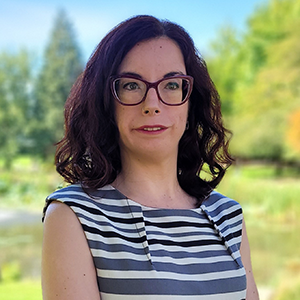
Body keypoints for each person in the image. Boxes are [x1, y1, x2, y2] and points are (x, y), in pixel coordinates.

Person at [42, 15, 259, 300]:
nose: (152, 105)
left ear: (190, 101)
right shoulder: (74, 216)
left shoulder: (228, 217)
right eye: (131, 85)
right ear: (106, 102)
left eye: (171, 84)